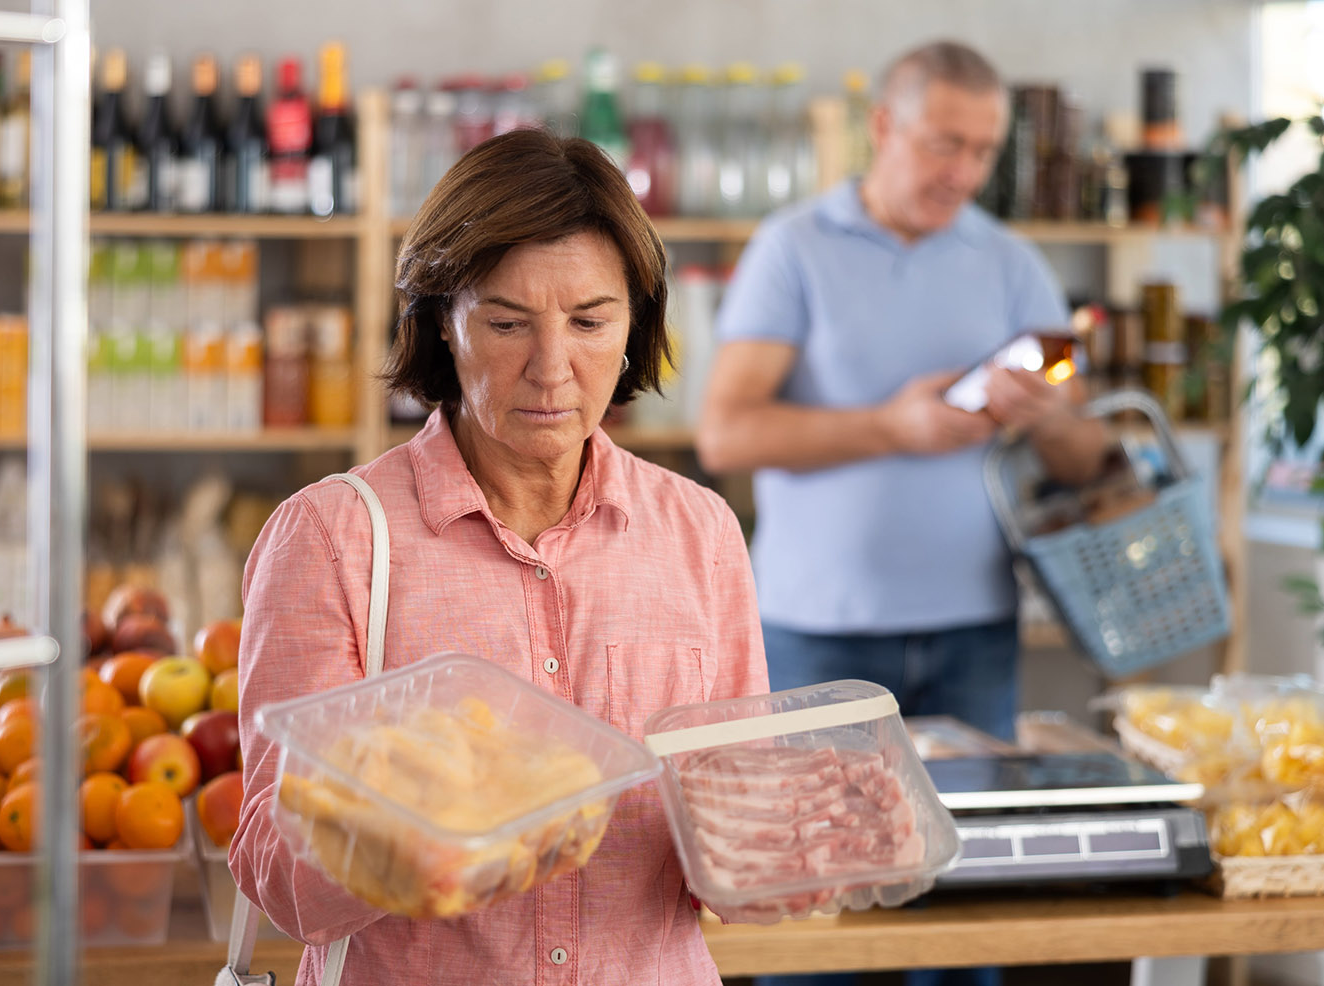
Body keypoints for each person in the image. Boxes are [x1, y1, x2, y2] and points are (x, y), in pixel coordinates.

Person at [230, 128, 768, 986]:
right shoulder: (333, 537)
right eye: (507, 323)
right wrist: (398, 846)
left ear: (636, 326)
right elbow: (272, 871)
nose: (551, 370)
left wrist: (776, 852)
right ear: (441, 323)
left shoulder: (699, 531)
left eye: (590, 321)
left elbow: (734, 833)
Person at [696, 41, 1106, 986]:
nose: (959, 172)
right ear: (883, 127)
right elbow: (726, 434)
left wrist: (1050, 421)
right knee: (814, 920)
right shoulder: (792, 248)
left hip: (971, 633)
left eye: (979, 151)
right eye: (941, 144)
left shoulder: (1009, 263)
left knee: (962, 920)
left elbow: (1083, 458)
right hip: (813, 638)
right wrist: (894, 426)